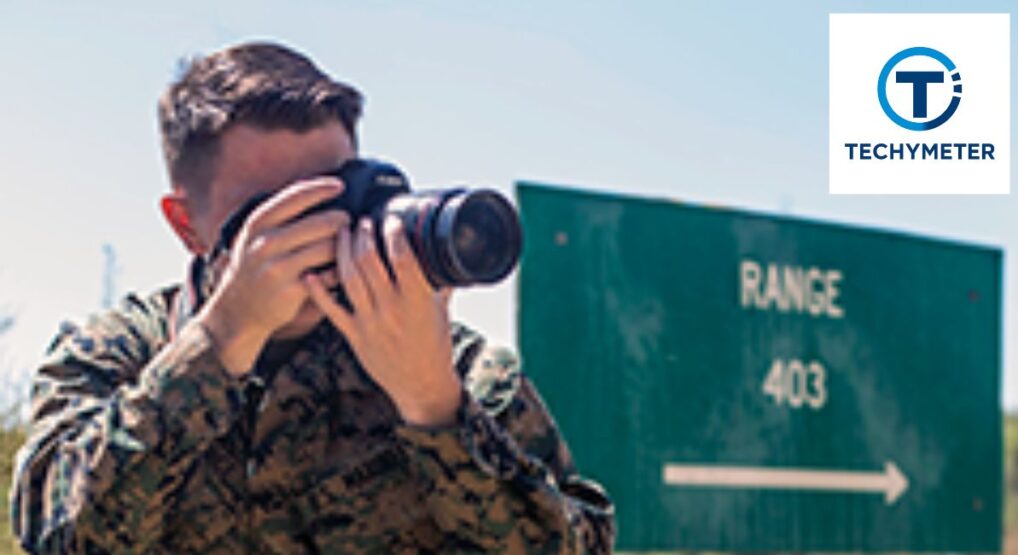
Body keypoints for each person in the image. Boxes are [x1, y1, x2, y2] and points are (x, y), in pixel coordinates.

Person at [9, 41, 615, 553]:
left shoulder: (457, 368)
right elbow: (59, 533)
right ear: (186, 224)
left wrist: (434, 406)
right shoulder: (120, 352)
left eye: (335, 197)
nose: (318, 235)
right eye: (278, 217)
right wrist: (218, 346)